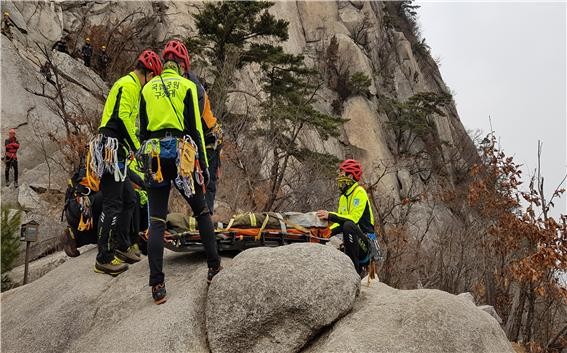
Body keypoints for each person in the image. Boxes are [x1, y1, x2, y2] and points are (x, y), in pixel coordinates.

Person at [139, 39, 221, 304]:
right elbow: (196, 130)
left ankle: (157, 286)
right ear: (183, 65)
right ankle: (214, 267)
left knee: (156, 222)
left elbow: (141, 131)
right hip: (181, 155)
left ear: (164, 64)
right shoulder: (187, 86)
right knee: (201, 211)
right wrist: (205, 169)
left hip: (154, 156)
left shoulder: (147, 88)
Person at [90, 49, 162, 276]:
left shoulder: (132, 86)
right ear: (149, 74)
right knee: (112, 204)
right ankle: (104, 257)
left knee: (129, 199)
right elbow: (121, 118)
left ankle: (121, 245)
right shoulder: (129, 85)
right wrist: (137, 147)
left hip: (118, 151)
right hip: (111, 149)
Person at [316, 159, 374, 277]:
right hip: (354, 239)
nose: (339, 176)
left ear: (350, 176)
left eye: (342, 173)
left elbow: (353, 219)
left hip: (367, 243)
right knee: (342, 227)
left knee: (349, 226)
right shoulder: (343, 197)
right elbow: (341, 221)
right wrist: (327, 232)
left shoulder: (359, 192)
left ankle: (355, 271)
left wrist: (330, 215)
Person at [184, 72, 223, 214]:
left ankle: (206, 214)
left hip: (208, 136)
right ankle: (201, 215)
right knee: (195, 180)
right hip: (199, 136)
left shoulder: (193, 85)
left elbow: (195, 115)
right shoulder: (186, 82)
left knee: (208, 180)